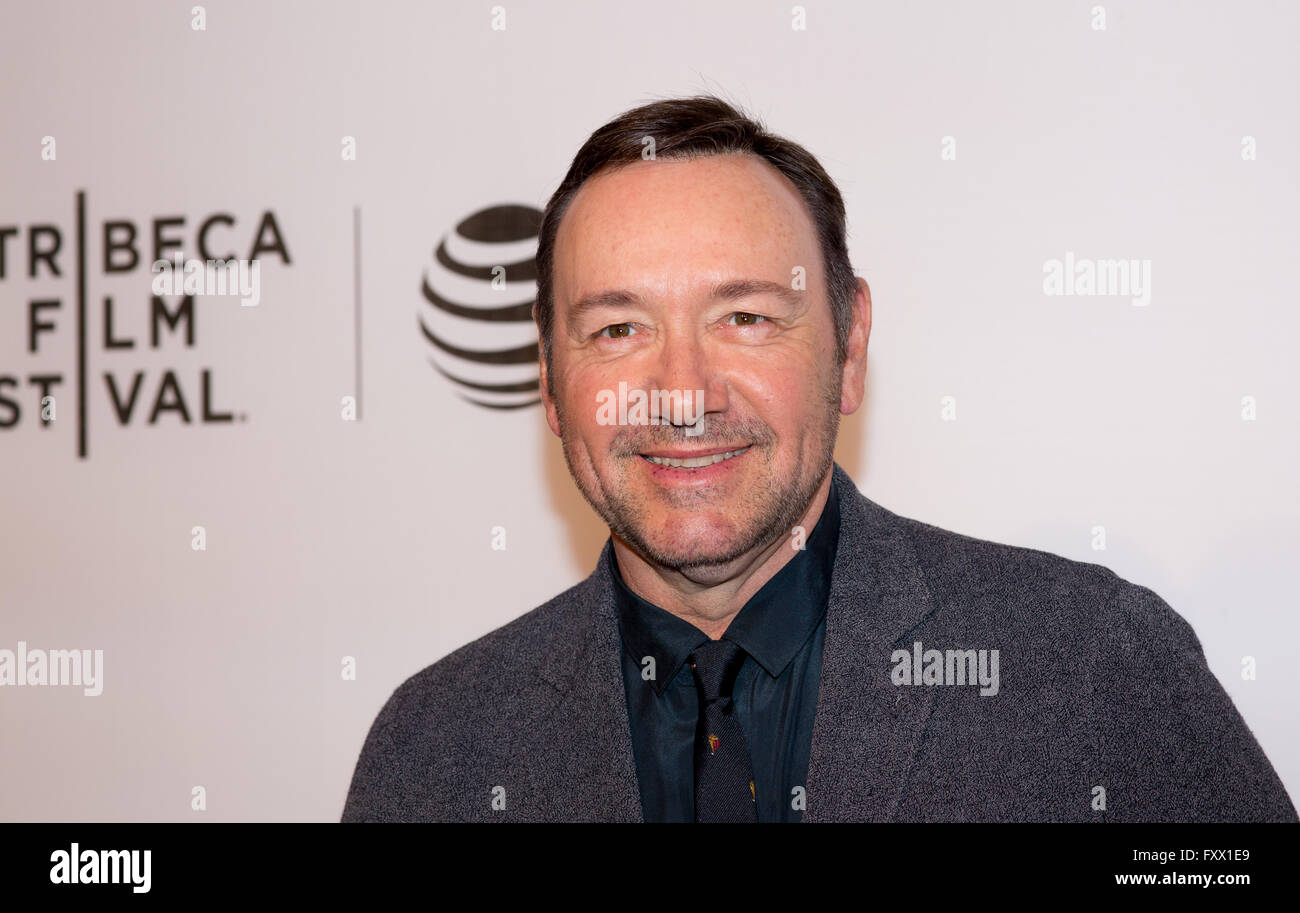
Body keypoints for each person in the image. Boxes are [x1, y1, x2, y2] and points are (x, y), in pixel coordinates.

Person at [342, 95, 1296, 822]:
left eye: (746, 317)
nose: (683, 391)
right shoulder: (436, 751)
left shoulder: (1092, 666)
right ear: (551, 384)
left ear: (848, 348)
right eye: (619, 327)